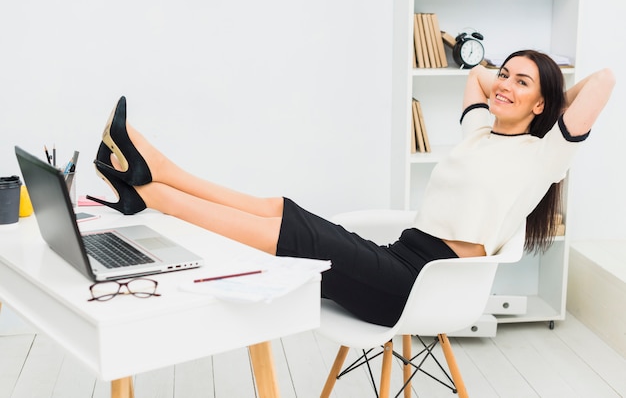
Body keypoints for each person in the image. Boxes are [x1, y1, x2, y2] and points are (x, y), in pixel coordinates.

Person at [87, 49, 615, 327]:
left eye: (522, 84)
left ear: (544, 104)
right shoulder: (480, 130)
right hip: (399, 255)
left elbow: (605, 81)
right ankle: (158, 173)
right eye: (506, 73)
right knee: (287, 211)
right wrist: (512, 79)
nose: (503, 84)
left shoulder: (545, 156)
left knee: (302, 239)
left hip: (419, 287)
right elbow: (476, 79)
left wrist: (548, 87)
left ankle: (151, 195)